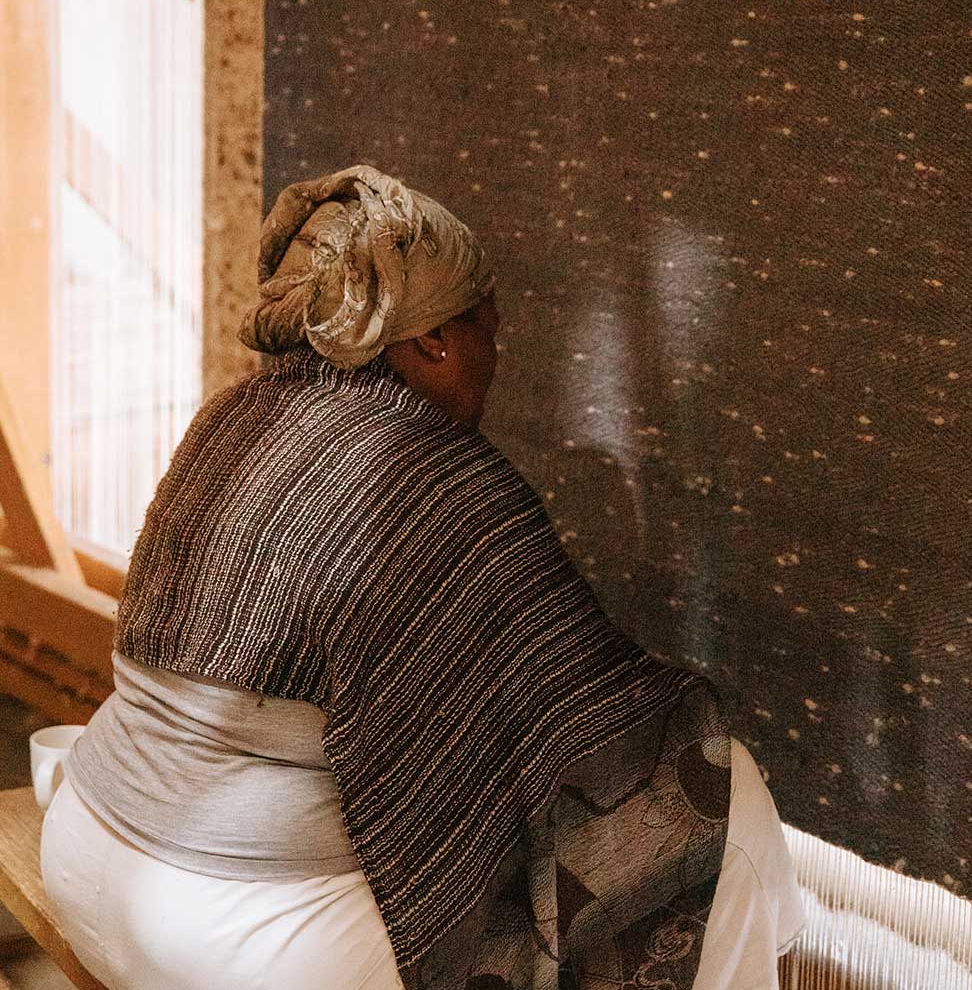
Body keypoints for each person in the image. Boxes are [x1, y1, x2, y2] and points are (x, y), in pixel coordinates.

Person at [40, 165, 802, 989]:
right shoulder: (433, 474)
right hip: (227, 941)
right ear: (435, 340)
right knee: (722, 798)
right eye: (488, 330)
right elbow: (603, 726)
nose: (495, 360)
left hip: (83, 851)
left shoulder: (227, 418)